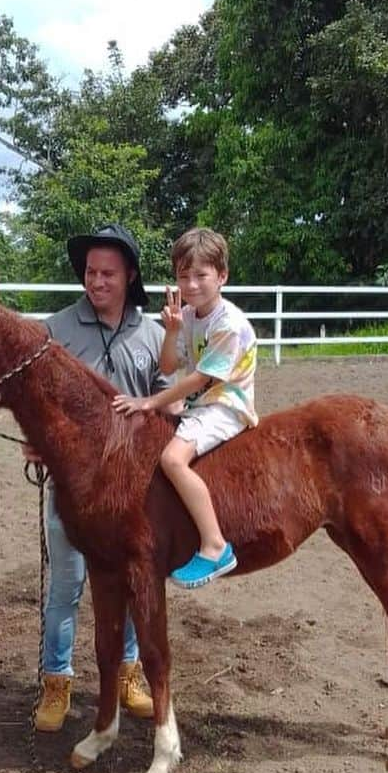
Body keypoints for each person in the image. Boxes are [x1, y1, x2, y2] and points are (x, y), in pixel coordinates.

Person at [27, 223, 172, 733]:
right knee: (66, 585)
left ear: (129, 275)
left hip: (131, 497)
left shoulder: (154, 335)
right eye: (90, 272)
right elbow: (34, 401)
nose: (97, 281)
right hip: (72, 492)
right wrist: (36, 441)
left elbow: (170, 400)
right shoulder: (54, 331)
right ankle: (56, 683)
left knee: (133, 585)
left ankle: (130, 676)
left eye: (108, 272)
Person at [113, 226, 257, 588]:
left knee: (172, 459)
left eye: (201, 275)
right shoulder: (190, 316)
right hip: (198, 404)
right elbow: (166, 367)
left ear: (222, 276)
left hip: (224, 404)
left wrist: (149, 401)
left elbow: (199, 380)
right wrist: (174, 330)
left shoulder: (230, 324)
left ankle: (214, 545)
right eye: (183, 276)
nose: (191, 285)